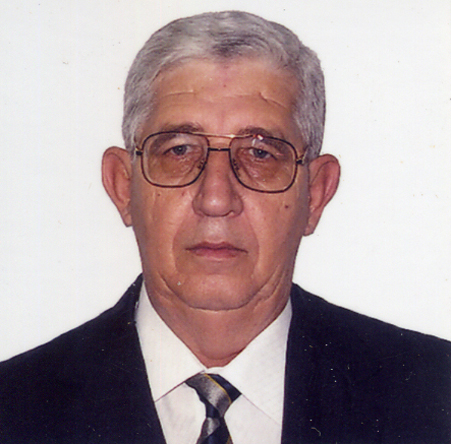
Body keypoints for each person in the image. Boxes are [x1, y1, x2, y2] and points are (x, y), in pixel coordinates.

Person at [0, 10, 449, 444]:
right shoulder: (14, 410)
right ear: (123, 186)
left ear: (315, 194)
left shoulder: (433, 398)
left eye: (260, 154)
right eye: (178, 150)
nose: (216, 199)